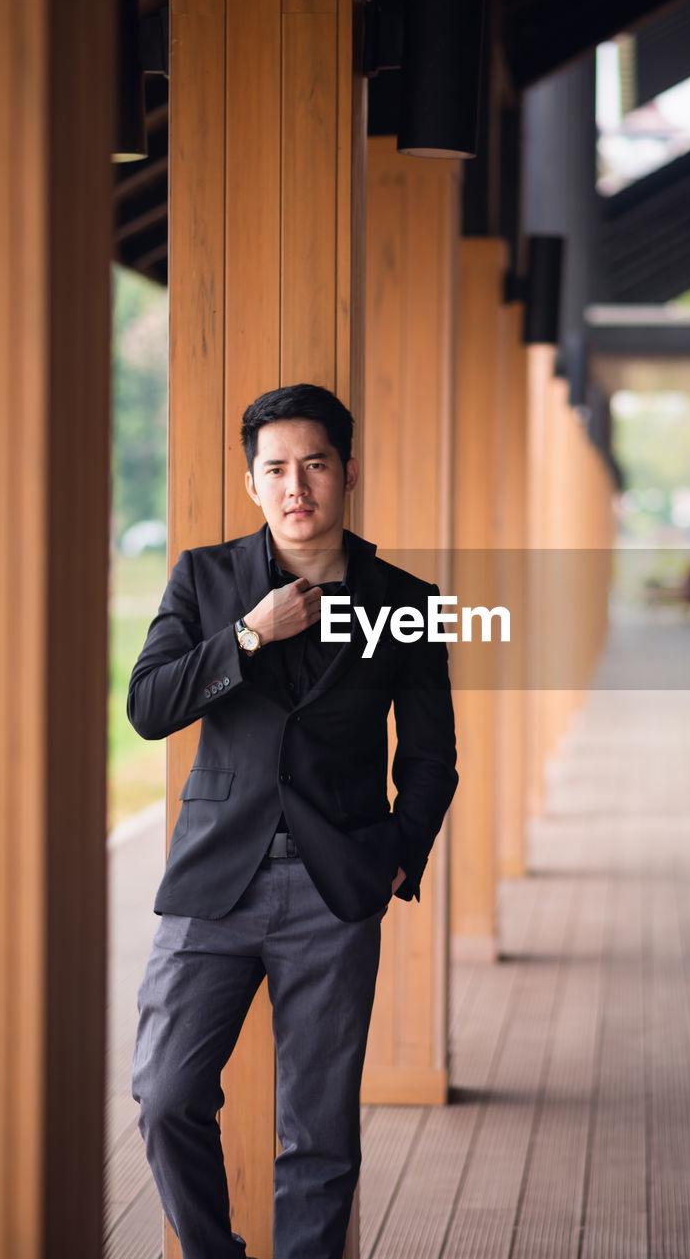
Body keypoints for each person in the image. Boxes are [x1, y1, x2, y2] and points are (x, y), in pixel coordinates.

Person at [128, 383, 458, 1259]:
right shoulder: (205, 579)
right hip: (213, 880)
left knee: (316, 1130)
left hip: (334, 888)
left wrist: (394, 858)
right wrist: (244, 636)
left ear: (347, 472)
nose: (294, 487)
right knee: (165, 1093)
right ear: (251, 484)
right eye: (274, 468)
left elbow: (430, 758)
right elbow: (149, 706)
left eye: (313, 464)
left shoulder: (405, 598)